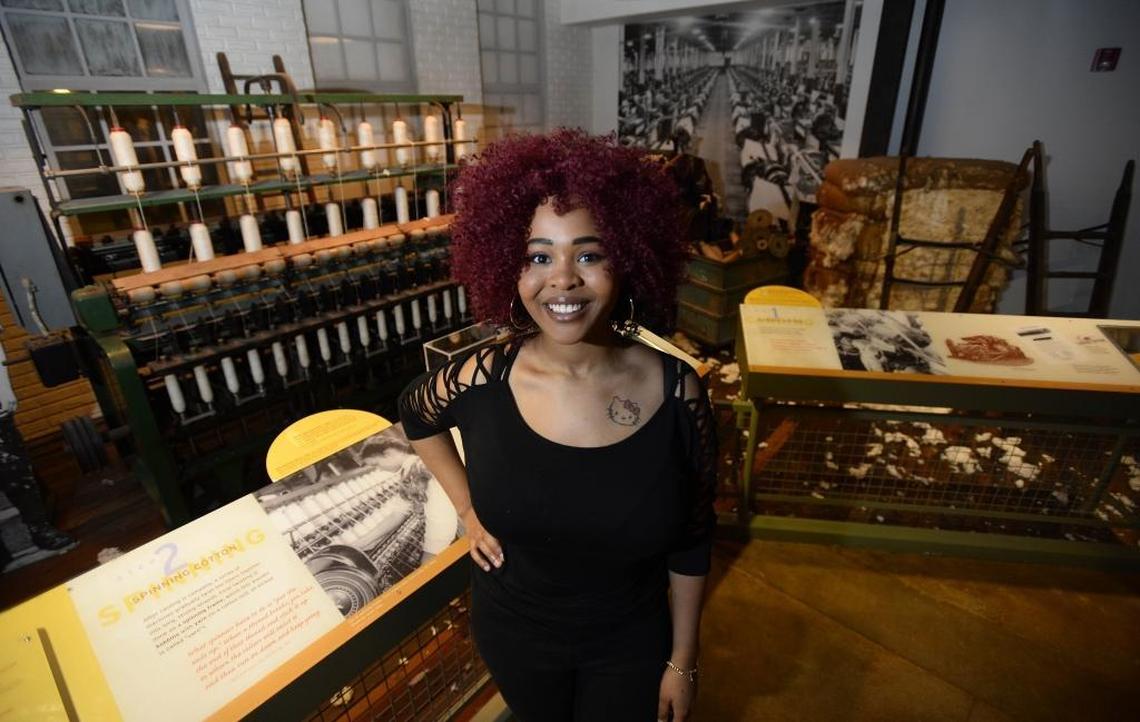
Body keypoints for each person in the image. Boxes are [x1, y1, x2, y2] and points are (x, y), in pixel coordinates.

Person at [398, 129, 716, 721]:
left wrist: (683, 659)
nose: (563, 279)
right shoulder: (478, 378)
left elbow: (694, 538)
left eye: (589, 255)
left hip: (631, 641)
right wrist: (467, 509)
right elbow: (415, 413)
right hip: (515, 633)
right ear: (508, 268)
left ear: (628, 259)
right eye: (538, 256)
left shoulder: (678, 390)